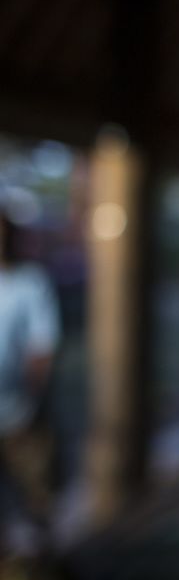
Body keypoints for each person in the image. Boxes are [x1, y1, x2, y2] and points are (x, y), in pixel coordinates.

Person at [0, 209, 60, 548]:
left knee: (37, 500)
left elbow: (42, 347)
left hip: (19, 415)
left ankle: (42, 576)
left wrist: (31, 403)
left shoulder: (30, 282)